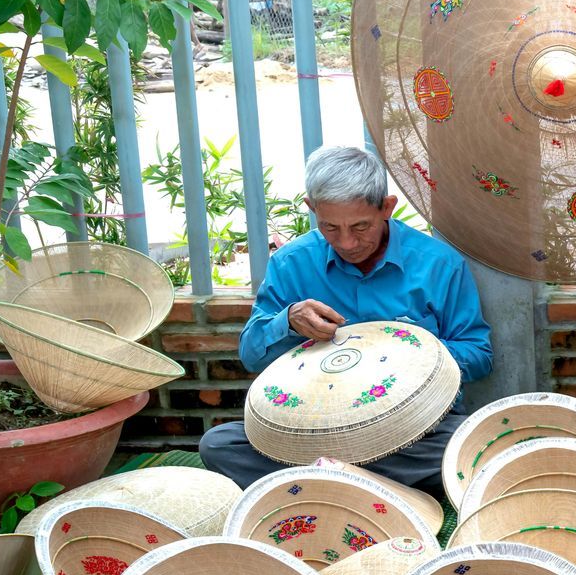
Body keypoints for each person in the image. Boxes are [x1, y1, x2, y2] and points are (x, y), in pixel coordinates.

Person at [199, 145, 492, 494]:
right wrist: (288, 320)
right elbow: (251, 355)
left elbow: (479, 355)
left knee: (478, 449)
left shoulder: (438, 264)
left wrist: (412, 353)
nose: (348, 242)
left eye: (360, 226)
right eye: (330, 227)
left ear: (387, 207)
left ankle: (327, 483)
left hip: (413, 430)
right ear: (311, 209)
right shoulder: (292, 264)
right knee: (218, 445)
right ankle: (373, 485)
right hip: (312, 430)